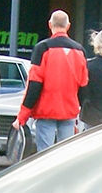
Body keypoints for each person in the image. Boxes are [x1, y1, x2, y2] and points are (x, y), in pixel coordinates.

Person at [15, 10, 89, 150]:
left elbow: (34, 85)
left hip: (46, 111)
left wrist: (22, 116)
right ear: (68, 26)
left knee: (44, 154)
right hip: (69, 111)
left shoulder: (42, 48)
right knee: (65, 153)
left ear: (50, 25)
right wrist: (79, 109)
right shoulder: (80, 51)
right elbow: (83, 85)